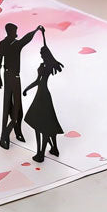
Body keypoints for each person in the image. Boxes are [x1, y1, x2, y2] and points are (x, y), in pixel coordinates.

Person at [0, 23, 40, 149]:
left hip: (6, 75)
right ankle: (6, 133)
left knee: (7, 105)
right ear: (11, 31)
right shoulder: (16, 44)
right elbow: (26, 39)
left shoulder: (3, 43)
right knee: (16, 107)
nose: (16, 33)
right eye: (15, 31)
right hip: (14, 78)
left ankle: (15, 131)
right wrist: (36, 30)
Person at [23, 33, 64, 163]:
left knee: (43, 124)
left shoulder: (48, 66)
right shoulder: (44, 65)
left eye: (42, 54)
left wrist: (44, 36)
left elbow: (39, 81)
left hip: (43, 95)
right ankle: (52, 149)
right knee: (40, 123)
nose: (41, 55)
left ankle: (41, 153)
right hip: (41, 94)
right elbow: (37, 81)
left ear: (46, 55)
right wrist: (27, 89)